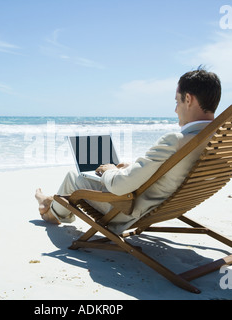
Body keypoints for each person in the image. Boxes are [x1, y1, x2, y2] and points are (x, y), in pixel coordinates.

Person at [35, 68, 222, 234]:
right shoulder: (219, 139)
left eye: (177, 102)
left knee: (75, 178)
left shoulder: (176, 141)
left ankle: (50, 212)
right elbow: (172, 173)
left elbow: (120, 186)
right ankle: (50, 200)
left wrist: (110, 170)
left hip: (130, 210)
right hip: (168, 205)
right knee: (108, 172)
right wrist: (132, 168)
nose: (175, 109)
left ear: (188, 99)